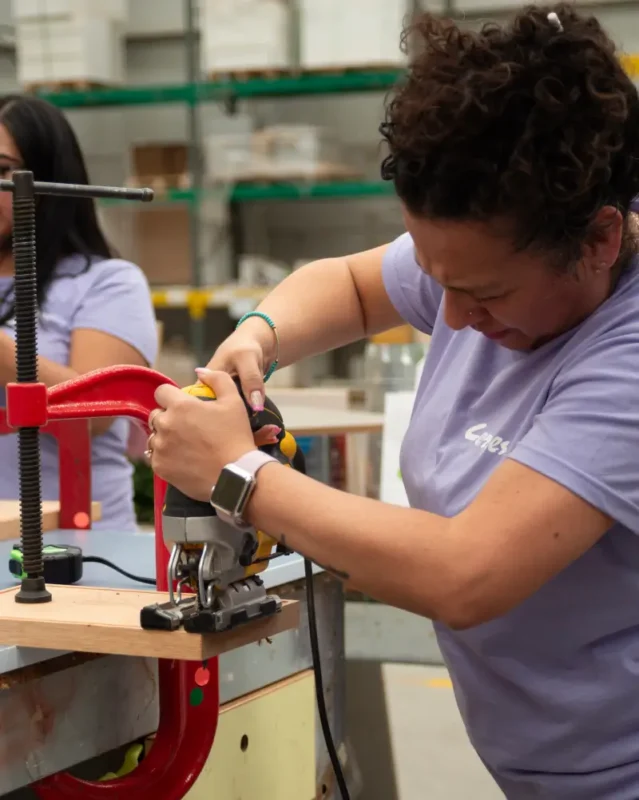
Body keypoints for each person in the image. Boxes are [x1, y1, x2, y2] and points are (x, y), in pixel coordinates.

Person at [147, 4, 639, 798]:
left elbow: (464, 573)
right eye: (437, 280)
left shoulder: (626, 358)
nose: (449, 318)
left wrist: (238, 474)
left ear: (600, 240)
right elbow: (344, 282)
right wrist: (257, 335)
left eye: (481, 292)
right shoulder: (490, 253)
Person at [0, 95, 158, 531]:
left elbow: (97, 415)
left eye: (1, 171)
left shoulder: (108, 283)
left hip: (81, 549)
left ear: (50, 180)